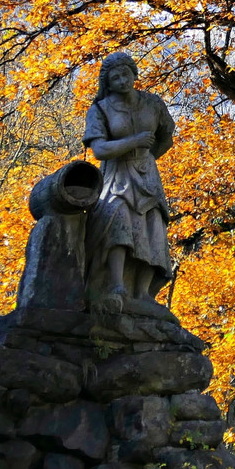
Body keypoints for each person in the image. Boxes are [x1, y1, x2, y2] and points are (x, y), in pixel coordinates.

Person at [84, 51, 176, 308]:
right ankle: (116, 285)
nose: (122, 81)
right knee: (118, 220)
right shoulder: (100, 109)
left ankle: (143, 294)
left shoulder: (153, 104)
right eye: (115, 78)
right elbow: (99, 150)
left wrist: (147, 157)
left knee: (152, 228)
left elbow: (166, 137)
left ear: (134, 73)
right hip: (117, 175)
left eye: (126, 74)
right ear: (108, 83)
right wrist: (134, 142)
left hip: (148, 176)